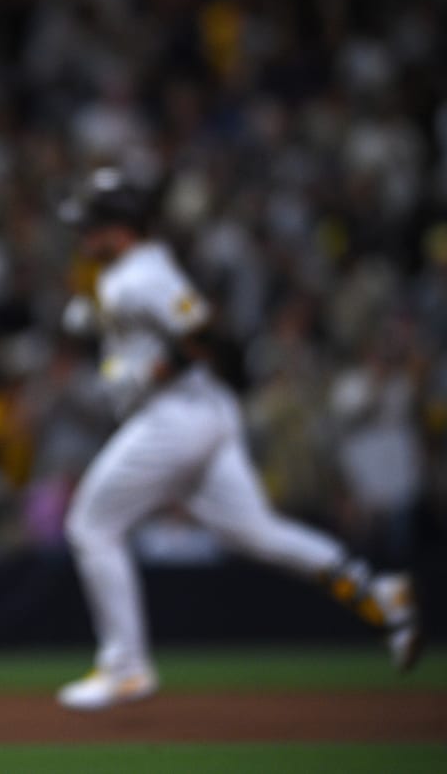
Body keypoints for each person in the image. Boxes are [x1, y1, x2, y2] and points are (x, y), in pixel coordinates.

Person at [53, 167, 422, 711]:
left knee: (91, 525)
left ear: (122, 225)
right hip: (199, 415)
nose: (82, 234)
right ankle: (380, 594)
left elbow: (205, 335)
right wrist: (103, 325)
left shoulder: (145, 272)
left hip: (175, 416)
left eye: (92, 223)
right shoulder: (120, 275)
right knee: (258, 534)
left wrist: (152, 371)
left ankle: (126, 666)